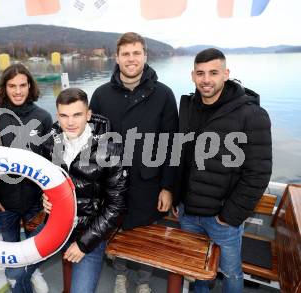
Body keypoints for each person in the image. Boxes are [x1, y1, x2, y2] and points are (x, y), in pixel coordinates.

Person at [172, 48, 272, 292]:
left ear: (226, 74)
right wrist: (176, 196)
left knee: (230, 274)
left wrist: (229, 216)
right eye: (200, 73)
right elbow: (179, 156)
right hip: (188, 213)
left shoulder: (251, 114)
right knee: (198, 273)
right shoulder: (187, 107)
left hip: (222, 219)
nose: (206, 79)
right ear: (193, 76)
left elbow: (258, 173)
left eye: (213, 72)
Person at [89, 32, 179, 293]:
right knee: (117, 230)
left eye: (136, 53)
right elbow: (94, 144)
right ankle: (119, 274)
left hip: (149, 183)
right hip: (113, 184)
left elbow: (171, 145)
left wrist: (167, 187)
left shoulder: (163, 94)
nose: (131, 59)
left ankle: (143, 281)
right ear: (117, 58)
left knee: (146, 234)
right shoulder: (101, 95)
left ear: (145, 56)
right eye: (126, 54)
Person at [42, 87, 127, 293]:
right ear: (57, 116)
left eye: (77, 115)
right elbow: (44, 182)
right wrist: (44, 198)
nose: (70, 122)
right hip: (55, 225)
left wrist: (84, 244)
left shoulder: (111, 148)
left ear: (88, 115)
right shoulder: (50, 143)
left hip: (89, 229)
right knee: (16, 271)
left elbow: (117, 204)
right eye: (64, 115)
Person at [0, 63, 52, 293]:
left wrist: (47, 194)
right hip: (4, 204)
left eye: (22, 85)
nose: (17, 91)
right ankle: (19, 284)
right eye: (12, 86)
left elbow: (50, 161)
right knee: (12, 252)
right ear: (4, 88)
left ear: (30, 86)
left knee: (34, 249)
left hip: (35, 201)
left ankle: (30, 275)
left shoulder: (43, 117)